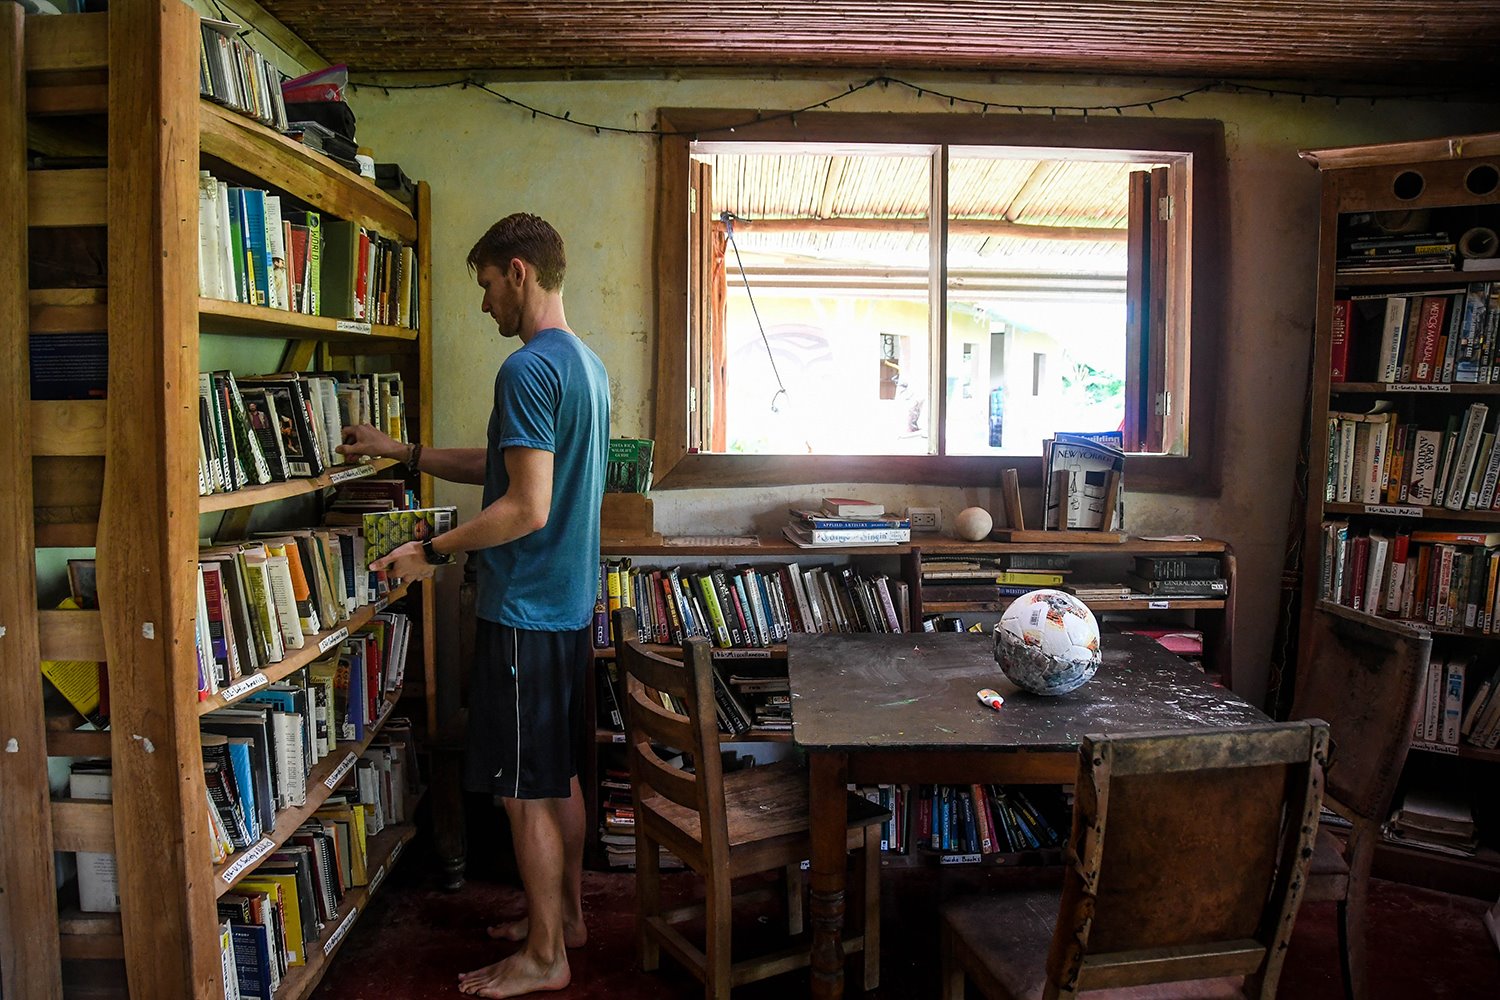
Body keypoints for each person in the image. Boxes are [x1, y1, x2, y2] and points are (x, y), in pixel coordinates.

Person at [338, 213, 610, 998]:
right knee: (555, 774)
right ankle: (567, 920)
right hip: (564, 608)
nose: (484, 303)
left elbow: (524, 506)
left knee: (524, 791)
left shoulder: (525, 370)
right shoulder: (583, 363)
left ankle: (546, 957)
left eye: (487, 285)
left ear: (518, 272)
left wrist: (431, 551)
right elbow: (506, 467)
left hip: (523, 610)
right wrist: (406, 454)